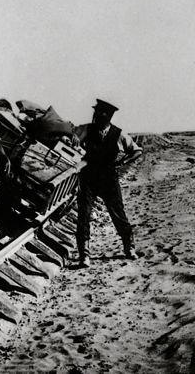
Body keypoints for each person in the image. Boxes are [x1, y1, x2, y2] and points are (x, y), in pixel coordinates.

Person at [73, 99, 143, 267]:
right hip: (88, 178)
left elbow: (137, 151)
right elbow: (72, 134)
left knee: (118, 214)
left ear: (108, 117)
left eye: (99, 114)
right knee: (84, 215)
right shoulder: (86, 129)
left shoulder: (119, 134)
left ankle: (129, 248)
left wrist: (123, 163)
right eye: (95, 114)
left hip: (109, 179)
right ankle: (84, 255)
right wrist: (73, 137)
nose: (96, 117)